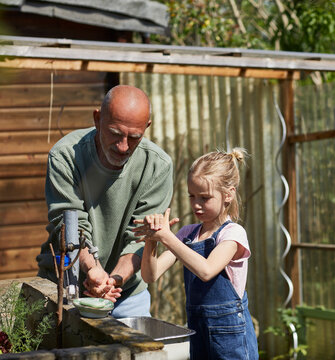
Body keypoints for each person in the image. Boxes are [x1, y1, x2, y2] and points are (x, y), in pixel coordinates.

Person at [36, 85, 174, 318]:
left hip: (126, 294)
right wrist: (93, 269)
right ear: (97, 119)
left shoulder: (158, 166)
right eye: (115, 133)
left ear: (146, 128)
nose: (123, 146)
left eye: (134, 137)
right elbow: (71, 225)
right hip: (64, 286)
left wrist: (113, 281)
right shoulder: (66, 156)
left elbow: (140, 238)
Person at [134, 148, 258, 359]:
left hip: (230, 336)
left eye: (205, 197)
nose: (196, 204)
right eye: (192, 196)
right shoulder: (187, 234)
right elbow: (150, 275)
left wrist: (167, 237)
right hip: (198, 330)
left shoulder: (233, 234)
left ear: (228, 194)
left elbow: (207, 270)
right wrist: (151, 241)